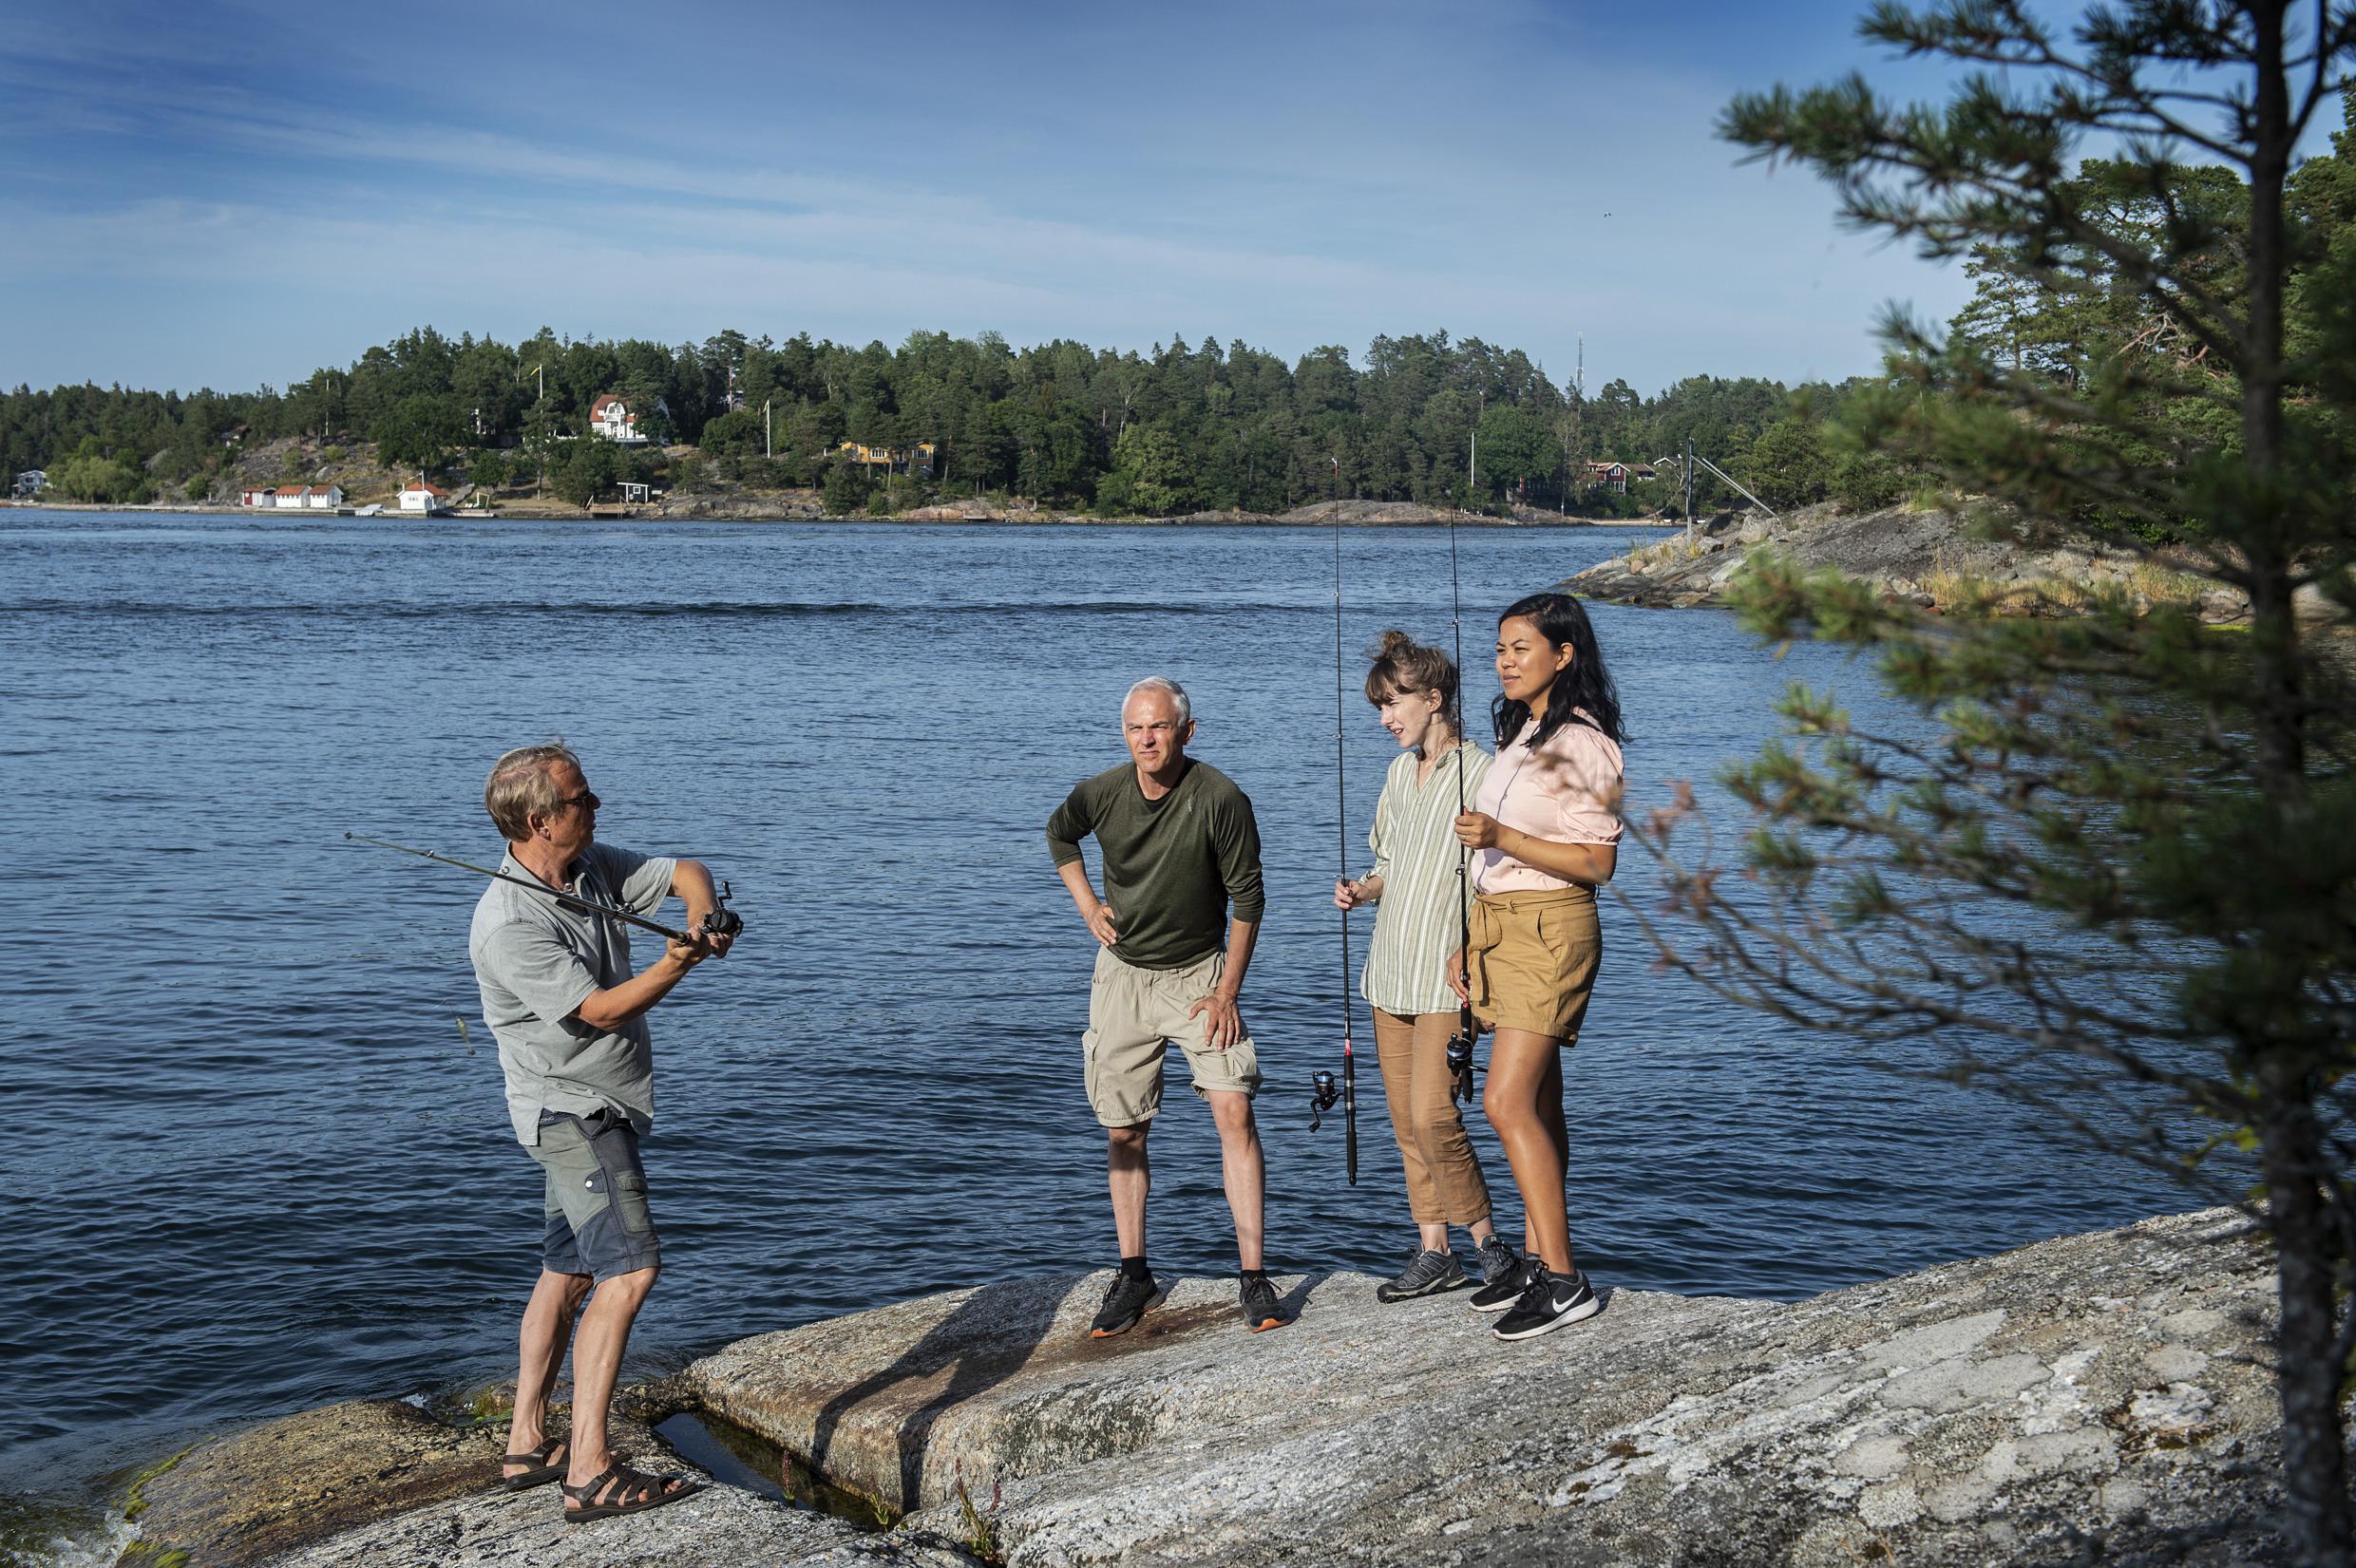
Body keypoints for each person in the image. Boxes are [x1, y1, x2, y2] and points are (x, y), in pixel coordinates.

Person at [467, 743, 732, 1521]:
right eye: (583, 798)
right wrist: (679, 962)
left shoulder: (588, 867)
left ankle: (526, 1441)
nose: (598, 805)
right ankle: (589, 1468)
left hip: (600, 1105)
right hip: (572, 1111)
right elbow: (599, 1011)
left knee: (572, 1271)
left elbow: (685, 868)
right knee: (629, 1271)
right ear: (538, 819)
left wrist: (699, 915)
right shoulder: (508, 922)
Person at [1047, 676, 1282, 1335]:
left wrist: (1227, 992)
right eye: (1134, 728)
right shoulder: (1103, 790)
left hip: (1200, 977)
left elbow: (1249, 901)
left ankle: (1254, 1279)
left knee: (1233, 1107)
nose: (1146, 739)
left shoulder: (1221, 798)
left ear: (1187, 730)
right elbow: (1060, 836)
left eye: (1158, 727)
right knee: (1124, 1129)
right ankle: (1136, 1275)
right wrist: (1089, 905)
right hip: (1123, 976)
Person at [1446, 593, 1626, 1342]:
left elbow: (1599, 861)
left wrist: (1502, 835)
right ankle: (1531, 1258)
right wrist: (1467, 934)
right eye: (1500, 648)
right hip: (1502, 926)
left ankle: (1564, 1279)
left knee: (1504, 1101)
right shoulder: (1521, 730)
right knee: (1542, 1104)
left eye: (1522, 647)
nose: (1506, 661)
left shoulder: (1585, 744)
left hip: (1551, 929)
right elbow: (1490, 852)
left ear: (1564, 654)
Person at [1334, 631, 1523, 1303]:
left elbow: (1497, 876)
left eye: (1394, 702)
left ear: (1434, 698)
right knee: (1404, 1121)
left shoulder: (1482, 770)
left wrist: (1473, 949)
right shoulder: (1396, 774)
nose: (1386, 717)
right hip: (1389, 971)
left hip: (1448, 976)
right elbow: (1389, 865)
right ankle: (1433, 1249)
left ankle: (1491, 1248)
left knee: (1435, 1114)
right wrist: (1361, 888)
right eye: (1380, 705)